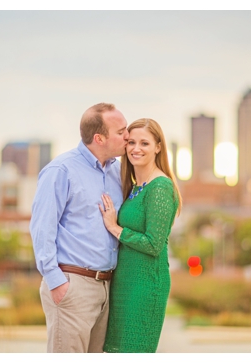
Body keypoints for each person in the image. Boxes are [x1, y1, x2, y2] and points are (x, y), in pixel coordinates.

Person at [30, 102, 129, 353]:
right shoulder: (61, 170)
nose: (128, 136)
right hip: (73, 285)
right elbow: (42, 229)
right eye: (121, 131)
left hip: (107, 287)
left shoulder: (118, 172)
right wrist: (56, 281)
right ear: (99, 138)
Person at [98, 118, 181, 353]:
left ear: (158, 147)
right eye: (131, 142)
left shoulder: (160, 187)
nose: (136, 148)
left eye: (144, 143)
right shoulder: (136, 187)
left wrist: (115, 228)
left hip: (145, 286)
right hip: (124, 283)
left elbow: (154, 244)